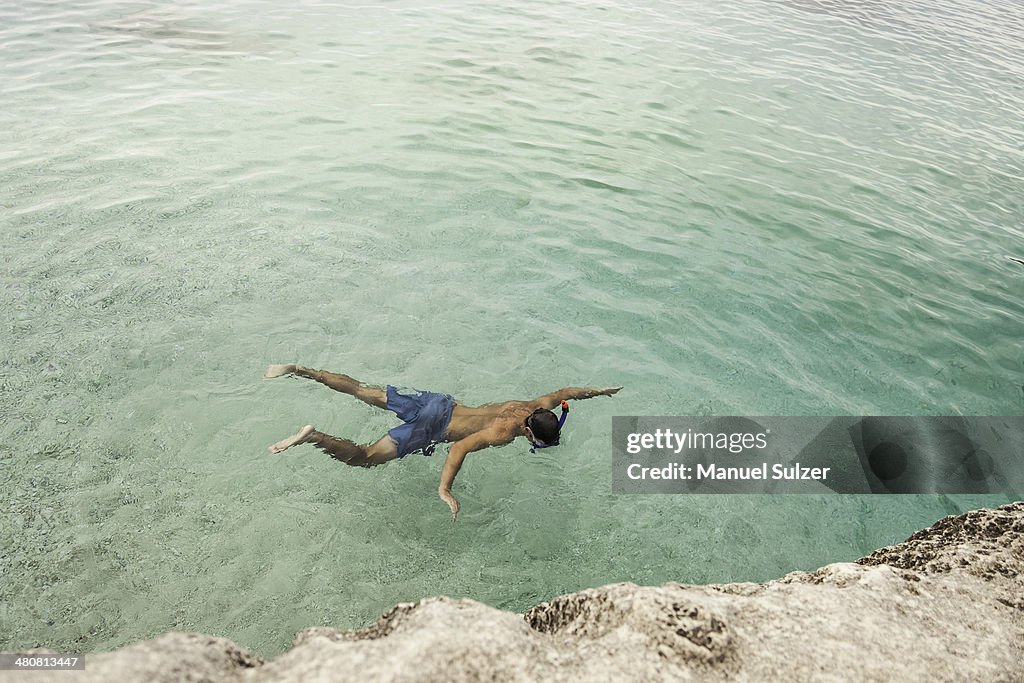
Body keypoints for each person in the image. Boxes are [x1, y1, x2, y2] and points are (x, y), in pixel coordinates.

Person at [262, 364, 622, 520]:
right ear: (530, 433)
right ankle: (312, 436)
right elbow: (458, 447)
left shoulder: (531, 407)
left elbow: (566, 392)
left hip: (436, 402)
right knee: (364, 457)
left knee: (360, 389)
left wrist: (599, 391)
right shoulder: (504, 433)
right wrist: (445, 489)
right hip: (429, 429)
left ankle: (299, 370)